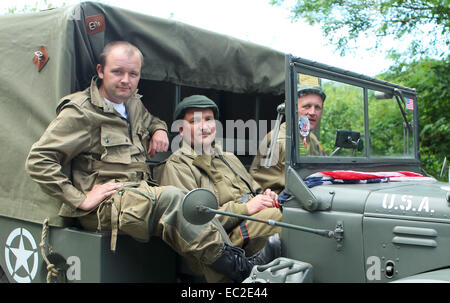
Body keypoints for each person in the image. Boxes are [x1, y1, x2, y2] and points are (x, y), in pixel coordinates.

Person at [25, 41, 280, 283]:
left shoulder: (132, 104)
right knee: (175, 199)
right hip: (105, 204)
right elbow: (39, 160)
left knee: (190, 200)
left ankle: (237, 263)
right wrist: (79, 199)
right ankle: (241, 272)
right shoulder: (81, 112)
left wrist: (159, 130)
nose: (126, 80)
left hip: (139, 194)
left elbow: (152, 121)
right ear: (101, 71)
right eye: (118, 72)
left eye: (133, 74)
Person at [159, 95, 282, 257]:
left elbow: (256, 191)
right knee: (282, 218)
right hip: (220, 245)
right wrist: (245, 208)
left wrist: (266, 196)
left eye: (208, 119)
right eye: (195, 121)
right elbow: (191, 224)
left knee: (292, 211)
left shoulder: (229, 158)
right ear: (181, 130)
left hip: (248, 226)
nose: (204, 127)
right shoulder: (178, 165)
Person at [249, 84, 326, 194]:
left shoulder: (311, 138)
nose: (313, 112)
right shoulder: (280, 140)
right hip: (277, 202)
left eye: (317, 107)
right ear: (292, 109)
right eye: (307, 106)